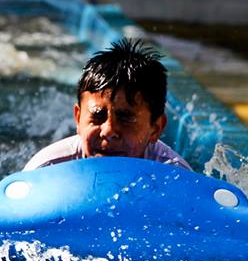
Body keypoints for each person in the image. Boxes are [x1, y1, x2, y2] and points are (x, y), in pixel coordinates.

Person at [24, 38, 191, 171]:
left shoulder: (176, 178)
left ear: (156, 128)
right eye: (97, 116)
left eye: (125, 118)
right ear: (78, 118)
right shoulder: (47, 170)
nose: (109, 131)